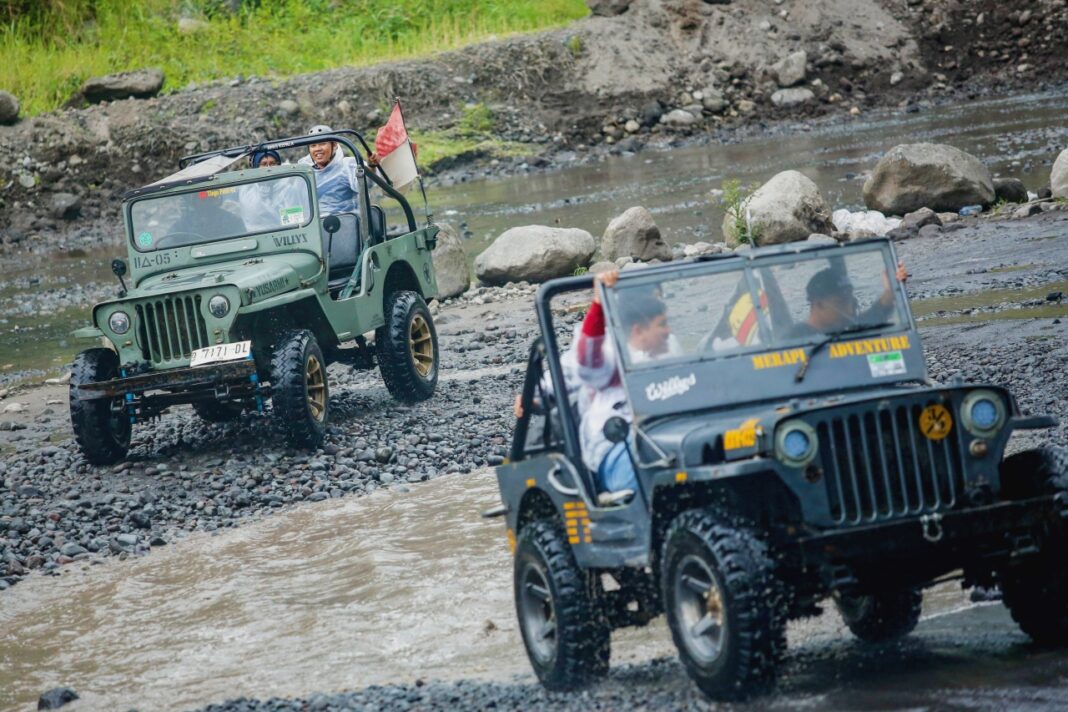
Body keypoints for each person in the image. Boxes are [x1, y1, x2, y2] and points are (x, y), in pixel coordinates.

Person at [574, 270, 679, 502]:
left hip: (667, 434)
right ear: (638, 330)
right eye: (663, 325)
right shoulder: (612, 352)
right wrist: (598, 304)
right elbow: (587, 362)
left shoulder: (670, 349)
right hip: (616, 445)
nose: (669, 331)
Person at [790, 260, 908, 338]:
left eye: (851, 301)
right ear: (819, 303)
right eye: (841, 303)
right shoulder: (794, 338)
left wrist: (891, 288)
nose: (850, 309)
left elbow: (878, 311)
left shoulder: (850, 327)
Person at [298, 124, 375, 216]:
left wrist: (371, 166)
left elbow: (365, 184)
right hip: (315, 223)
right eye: (313, 145)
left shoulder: (347, 165)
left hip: (348, 221)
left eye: (322, 143)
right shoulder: (304, 174)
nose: (317, 149)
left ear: (334, 145)